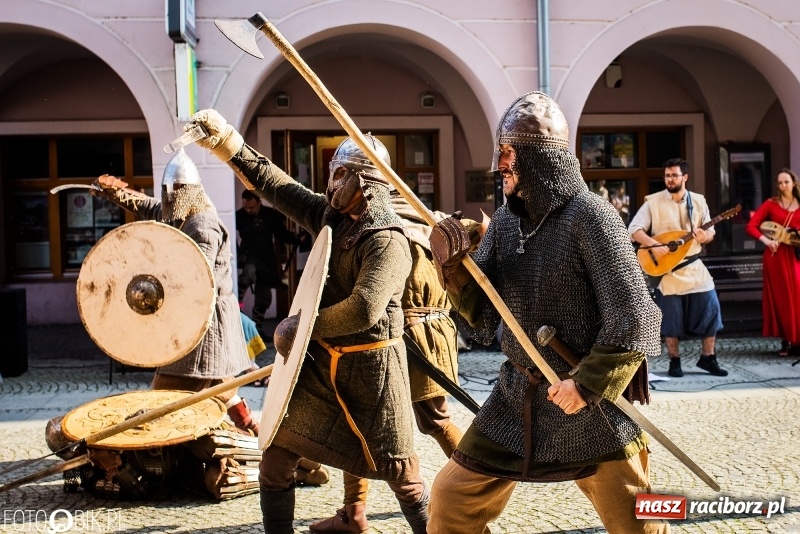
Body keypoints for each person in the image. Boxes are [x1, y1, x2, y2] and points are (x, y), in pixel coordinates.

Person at [427, 91, 668, 534]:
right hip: (517, 396)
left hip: (591, 407)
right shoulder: (505, 222)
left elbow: (637, 316)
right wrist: (454, 270)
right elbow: (482, 323)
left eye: (509, 154)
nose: (499, 165)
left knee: (639, 523)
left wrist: (587, 384)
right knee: (450, 500)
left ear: (541, 159)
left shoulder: (592, 217)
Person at [187, 109, 429, 534]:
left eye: (342, 175)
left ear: (367, 182)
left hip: (373, 377)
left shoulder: (388, 239)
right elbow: (280, 187)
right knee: (277, 457)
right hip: (322, 373)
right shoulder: (332, 219)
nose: (331, 183)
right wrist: (228, 144)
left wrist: (300, 327)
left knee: (403, 477)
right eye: (333, 173)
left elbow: (365, 307)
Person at [307, 180, 481, 533]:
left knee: (432, 420)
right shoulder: (431, 220)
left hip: (409, 338)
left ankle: (476, 487)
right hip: (431, 332)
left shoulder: (387, 227)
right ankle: (352, 514)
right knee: (355, 422)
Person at [89, 149, 259, 434]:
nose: (171, 195)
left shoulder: (203, 224)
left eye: (177, 189)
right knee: (220, 383)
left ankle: (154, 445)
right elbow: (149, 206)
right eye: (168, 190)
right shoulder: (179, 211)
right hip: (193, 320)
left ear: (190, 191)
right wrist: (114, 193)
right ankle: (258, 433)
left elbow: (196, 279)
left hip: (205, 322)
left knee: (164, 392)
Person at [629, 158, 728, 378]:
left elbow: (710, 232)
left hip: (694, 267)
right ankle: (675, 361)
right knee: (671, 320)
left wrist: (706, 235)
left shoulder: (699, 201)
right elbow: (634, 229)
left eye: (674, 175)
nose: (670, 179)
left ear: (685, 177)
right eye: (667, 175)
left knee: (711, 310)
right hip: (669, 271)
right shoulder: (653, 202)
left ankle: (708, 358)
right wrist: (654, 244)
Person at [745, 168, 800, 356]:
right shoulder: (771, 204)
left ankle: (798, 341)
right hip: (776, 257)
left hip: (796, 255)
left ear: (794, 182)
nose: (783, 185)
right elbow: (751, 226)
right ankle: (786, 341)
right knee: (782, 299)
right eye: (780, 182)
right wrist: (767, 241)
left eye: (786, 182)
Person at [237, 189, 303, 332]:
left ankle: (256, 329)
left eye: (251, 207)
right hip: (249, 256)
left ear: (259, 202)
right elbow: (228, 231)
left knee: (264, 298)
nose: (248, 210)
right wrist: (237, 254)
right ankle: (236, 303)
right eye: (245, 207)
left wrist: (295, 238)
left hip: (266, 260)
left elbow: (281, 233)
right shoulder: (239, 216)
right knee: (248, 274)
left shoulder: (270, 216)